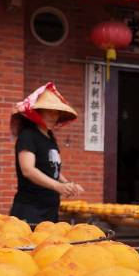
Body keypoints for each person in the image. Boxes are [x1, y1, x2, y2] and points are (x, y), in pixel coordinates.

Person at [9, 82, 84, 224]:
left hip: (50, 207)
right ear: (37, 112)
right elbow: (28, 170)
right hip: (30, 207)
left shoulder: (50, 138)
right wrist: (58, 186)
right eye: (49, 111)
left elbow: (52, 168)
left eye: (56, 112)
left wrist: (68, 184)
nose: (53, 116)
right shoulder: (28, 136)